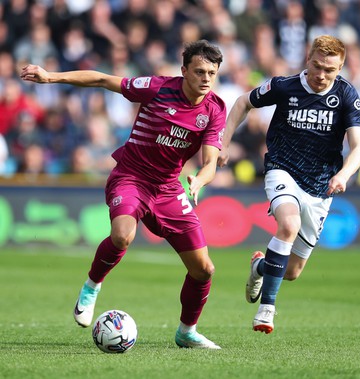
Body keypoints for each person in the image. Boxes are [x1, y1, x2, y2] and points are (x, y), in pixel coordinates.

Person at [20, 39, 226, 349]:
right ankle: (92, 286)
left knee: (204, 269)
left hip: (169, 188)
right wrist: (51, 77)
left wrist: (199, 181)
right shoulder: (157, 88)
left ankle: (187, 332)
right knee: (122, 236)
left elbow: (210, 162)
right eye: (199, 71)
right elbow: (103, 79)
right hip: (132, 177)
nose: (206, 78)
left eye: (212, 72)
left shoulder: (214, 109)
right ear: (184, 71)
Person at [218, 35, 360, 334]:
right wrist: (224, 142)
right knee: (288, 225)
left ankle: (261, 268)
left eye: (330, 69)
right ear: (307, 59)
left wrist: (344, 174)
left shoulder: (348, 96)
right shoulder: (285, 86)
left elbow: (358, 147)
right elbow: (242, 102)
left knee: (293, 271)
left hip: (322, 183)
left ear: (340, 68)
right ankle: (266, 310)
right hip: (282, 170)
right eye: (317, 66)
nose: (321, 75)